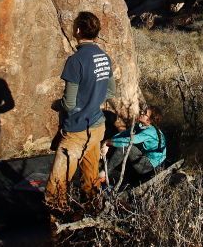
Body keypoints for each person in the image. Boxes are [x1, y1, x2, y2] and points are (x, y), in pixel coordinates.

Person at [45, 11, 116, 215]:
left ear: (77, 30)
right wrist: (92, 100)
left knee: (55, 189)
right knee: (90, 182)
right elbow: (111, 91)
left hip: (76, 131)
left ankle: (57, 232)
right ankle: (92, 222)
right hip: (97, 127)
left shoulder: (75, 61)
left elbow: (68, 103)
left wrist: (55, 104)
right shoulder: (105, 58)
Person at [102, 105, 166, 184]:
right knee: (121, 143)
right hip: (146, 160)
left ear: (149, 120)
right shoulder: (141, 126)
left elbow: (129, 141)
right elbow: (123, 134)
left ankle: (105, 173)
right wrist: (109, 141)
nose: (141, 113)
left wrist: (109, 142)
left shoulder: (150, 132)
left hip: (150, 167)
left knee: (127, 146)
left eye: (145, 113)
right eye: (143, 111)